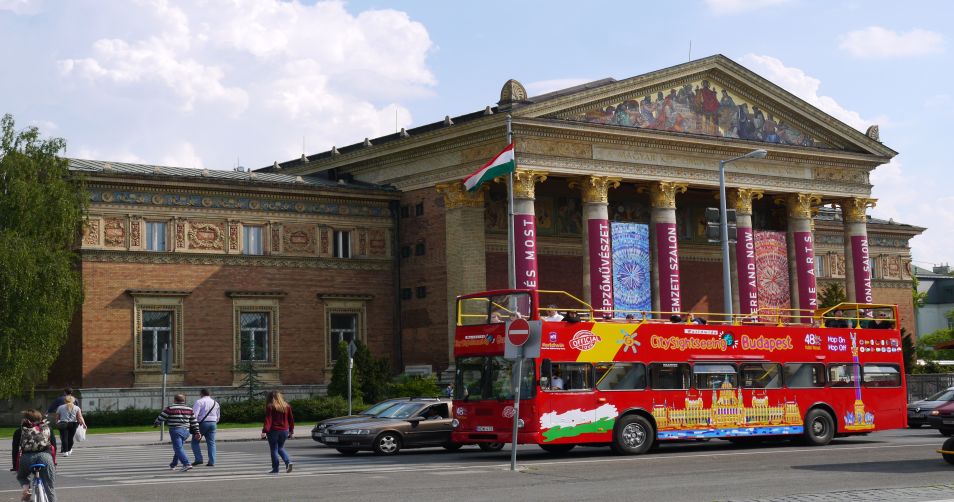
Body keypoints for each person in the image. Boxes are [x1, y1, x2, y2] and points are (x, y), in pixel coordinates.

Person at [15, 409, 56, 502]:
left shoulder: (20, 431)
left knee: (22, 476)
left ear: (25, 419)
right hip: (45, 457)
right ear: (40, 418)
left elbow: (15, 450)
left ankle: (26, 489)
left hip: (27, 458)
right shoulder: (48, 428)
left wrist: (15, 466)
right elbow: (54, 447)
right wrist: (53, 462)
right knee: (50, 486)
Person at [154, 394, 200, 472]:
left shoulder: (170, 408)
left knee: (178, 448)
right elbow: (194, 421)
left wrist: (156, 423)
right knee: (179, 448)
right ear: (184, 400)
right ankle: (173, 464)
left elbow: (161, 417)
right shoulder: (189, 409)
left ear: (175, 400)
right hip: (186, 431)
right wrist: (197, 432)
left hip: (176, 431)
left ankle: (186, 464)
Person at [262, 390, 295, 474]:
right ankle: (288, 462)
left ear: (270, 398)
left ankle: (275, 469)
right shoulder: (287, 406)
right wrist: (291, 431)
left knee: (274, 449)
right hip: (284, 430)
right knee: (280, 448)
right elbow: (291, 419)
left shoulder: (270, 406)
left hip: (273, 430)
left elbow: (268, 419)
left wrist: (264, 431)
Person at [191, 389, 220, 467]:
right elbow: (218, 416)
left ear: (201, 393)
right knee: (211, 443)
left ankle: (198, 459)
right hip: (213, 423)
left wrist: (193, 425)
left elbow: (194, 415)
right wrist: (214, 422)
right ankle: (212, 461)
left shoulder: (199, 402)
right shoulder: (215, 403)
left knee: (195, 441)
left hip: (202, 423)